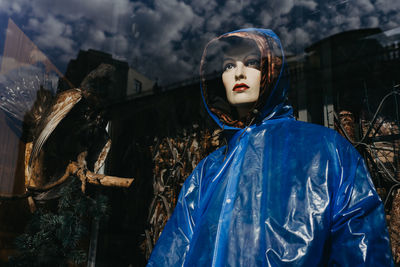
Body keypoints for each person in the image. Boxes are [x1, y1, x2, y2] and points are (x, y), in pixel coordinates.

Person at [147, 28, 393, 266]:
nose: (238, 73)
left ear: (272, 69)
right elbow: (173, 253)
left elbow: (362, 249)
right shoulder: (208, 172)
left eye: (252, 62)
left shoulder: (328, 152)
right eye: (228, 66)